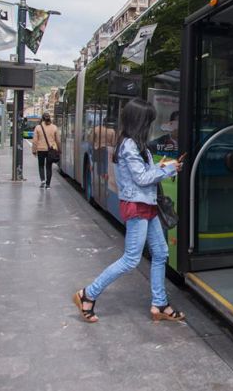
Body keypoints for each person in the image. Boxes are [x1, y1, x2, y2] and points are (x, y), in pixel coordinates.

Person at [73, 98, 185, 324]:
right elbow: (142, 178)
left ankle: (159, 303)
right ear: (140, 122)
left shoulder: (136, 144)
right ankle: (87, 294)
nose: (150, 126)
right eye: (148, 121)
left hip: (148, 204)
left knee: (161, 253)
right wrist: (170, 169)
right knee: (131, 259)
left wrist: (160, 167)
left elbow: (145, 172)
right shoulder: (129, 146)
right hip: (137, 206)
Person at [31, 112, 61, 189]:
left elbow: (34, 141)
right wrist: (59, 150)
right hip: (51, 150)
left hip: (40, 150)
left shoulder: (38, 127)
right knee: (49, 167)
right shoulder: (54, 127)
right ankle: (48, 185)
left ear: (42, 118)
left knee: (41, 165)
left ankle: (42, 181)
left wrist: (34, 150)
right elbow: (58, 140)